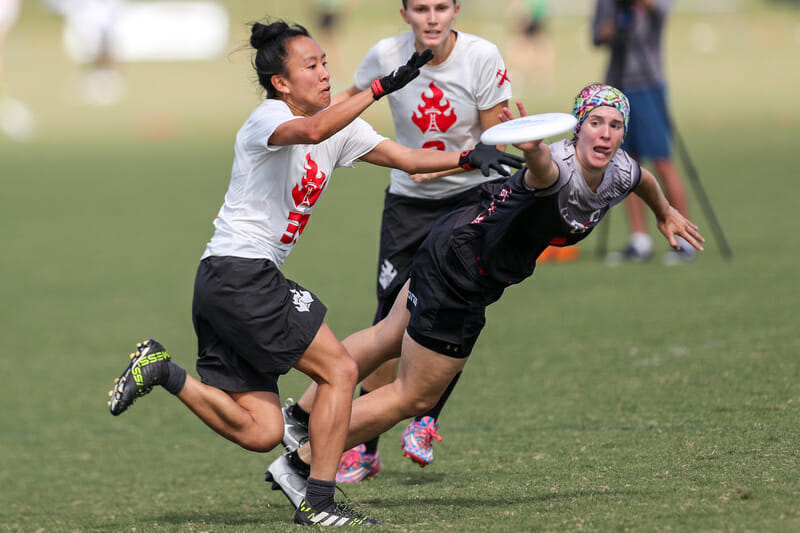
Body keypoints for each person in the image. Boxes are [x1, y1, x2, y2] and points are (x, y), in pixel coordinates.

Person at [105, 20, 521, 527]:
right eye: (311, 65)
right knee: (342, 371)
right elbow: (311, 130)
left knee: (261, 431)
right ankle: (318, 503)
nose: (325, 73)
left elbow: (407, 160)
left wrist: (468, 156)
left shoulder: (339, 128)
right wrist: (377, 88)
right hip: (241, 274)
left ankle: (162, 370)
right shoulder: (269, 117)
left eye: (325, 62)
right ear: (281, 82)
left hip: (227, 281)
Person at [267, 84, 705, 511]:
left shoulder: (621, 170)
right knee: (413, 397)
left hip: (449, 242)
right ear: (577, 128)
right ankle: (302, 463)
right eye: (595, 122)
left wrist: (664, 212)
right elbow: (542, 172)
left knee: (386, 336)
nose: (605, 133)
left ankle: (301, 419)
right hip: (461, 275)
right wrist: (532, 148)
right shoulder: (558, 167)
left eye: (614, 125)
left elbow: (643, 179)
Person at [279, 0, 515, 484]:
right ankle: (364, 449)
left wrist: (496, 144)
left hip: (467, 200)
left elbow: (497, 134)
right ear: (404, 12)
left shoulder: (481, 56)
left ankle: (426, 418)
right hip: (408, 204)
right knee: (388, 325)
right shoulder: (386, 54)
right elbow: (345, 100)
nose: (432, 18)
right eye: (422, 8)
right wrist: (297, 123)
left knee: (452, 311)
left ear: (456, 10)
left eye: (442, 7)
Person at [592, 0, 694, 265]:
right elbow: (597, 36)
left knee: (662, 160)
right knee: (626, 165)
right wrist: (615, 25)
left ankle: (683, 238)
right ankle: (640, 240)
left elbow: (660, 11)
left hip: (649, 85)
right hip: (617, 87)